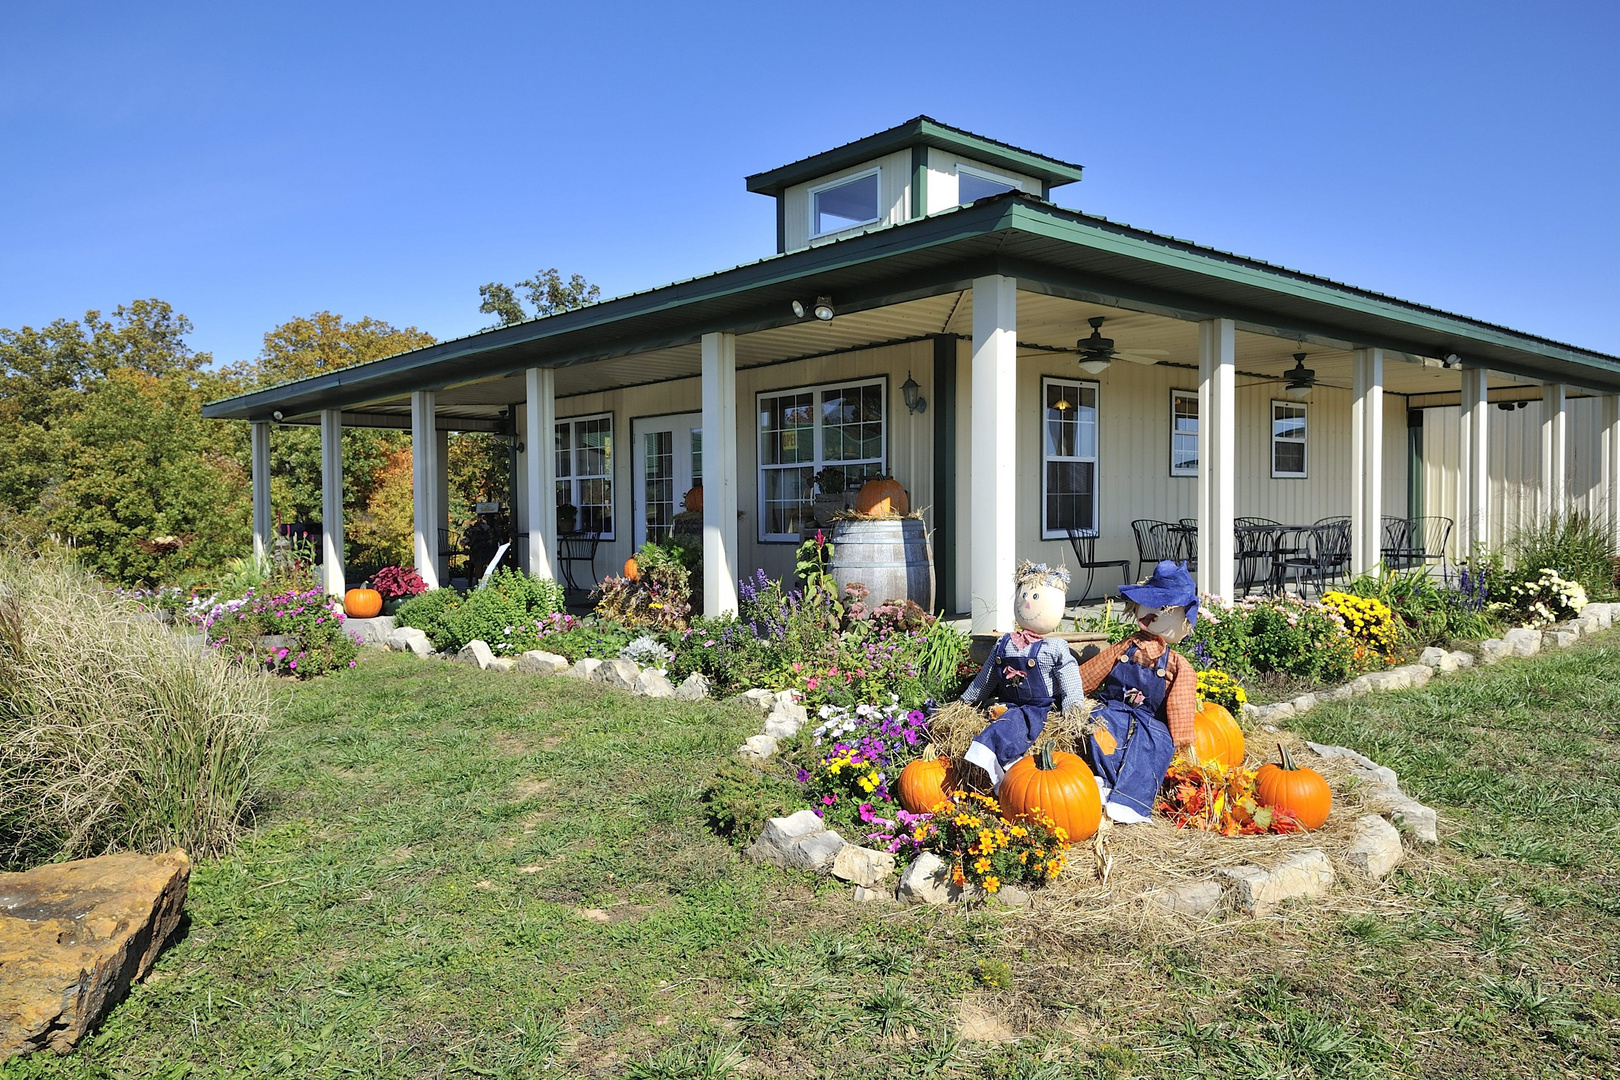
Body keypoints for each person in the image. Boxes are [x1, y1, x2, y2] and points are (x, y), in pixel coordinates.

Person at [1077, 559, 1199, 824]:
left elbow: (1180, 701)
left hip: (1151, 719)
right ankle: (1106, 784)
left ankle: (1132, 802)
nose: (1152, 612)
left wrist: (1181, 738)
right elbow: (1093, 672)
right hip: (1113, 708)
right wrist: (1073, 692)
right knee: (1100, 730)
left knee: (1155, 745)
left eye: (1163, 607)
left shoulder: (1178, 664)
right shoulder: (1124, 648)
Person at [959, 562, 1089, 790]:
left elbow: (1070, 680)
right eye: (1025, 595)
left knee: (1013, 725)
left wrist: (1073, 709)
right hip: (1008, 701)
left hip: (1037, 706)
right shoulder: (1005, 642)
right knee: (1007, 717)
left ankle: (990, 757)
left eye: (1036, 596)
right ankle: (998, 771)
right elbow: (986, 678)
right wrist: (965, 702)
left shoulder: (1055, 647)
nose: (1027, 601)